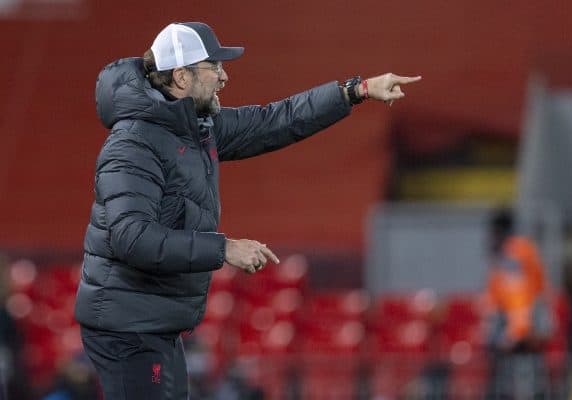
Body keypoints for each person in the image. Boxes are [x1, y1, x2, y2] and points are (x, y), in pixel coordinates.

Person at [74, 21, 421, 399]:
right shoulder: (133, 145)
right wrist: (223, 249)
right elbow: (131, 238)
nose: (224, 77)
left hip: (151, 322)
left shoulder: (193, 128)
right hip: (127, 326)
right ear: (180, 77)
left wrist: (356, 91)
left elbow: (277, 119)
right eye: (214, 68)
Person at [483, 208, 554, 399]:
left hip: (525, 332)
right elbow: (496, 299)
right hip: (509, 331)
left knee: (527, 384)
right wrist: (495, 333)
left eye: (494, 232)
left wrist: (519, 332)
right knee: (506, 384)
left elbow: (525, 297)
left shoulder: (519, 252)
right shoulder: (500, 257)